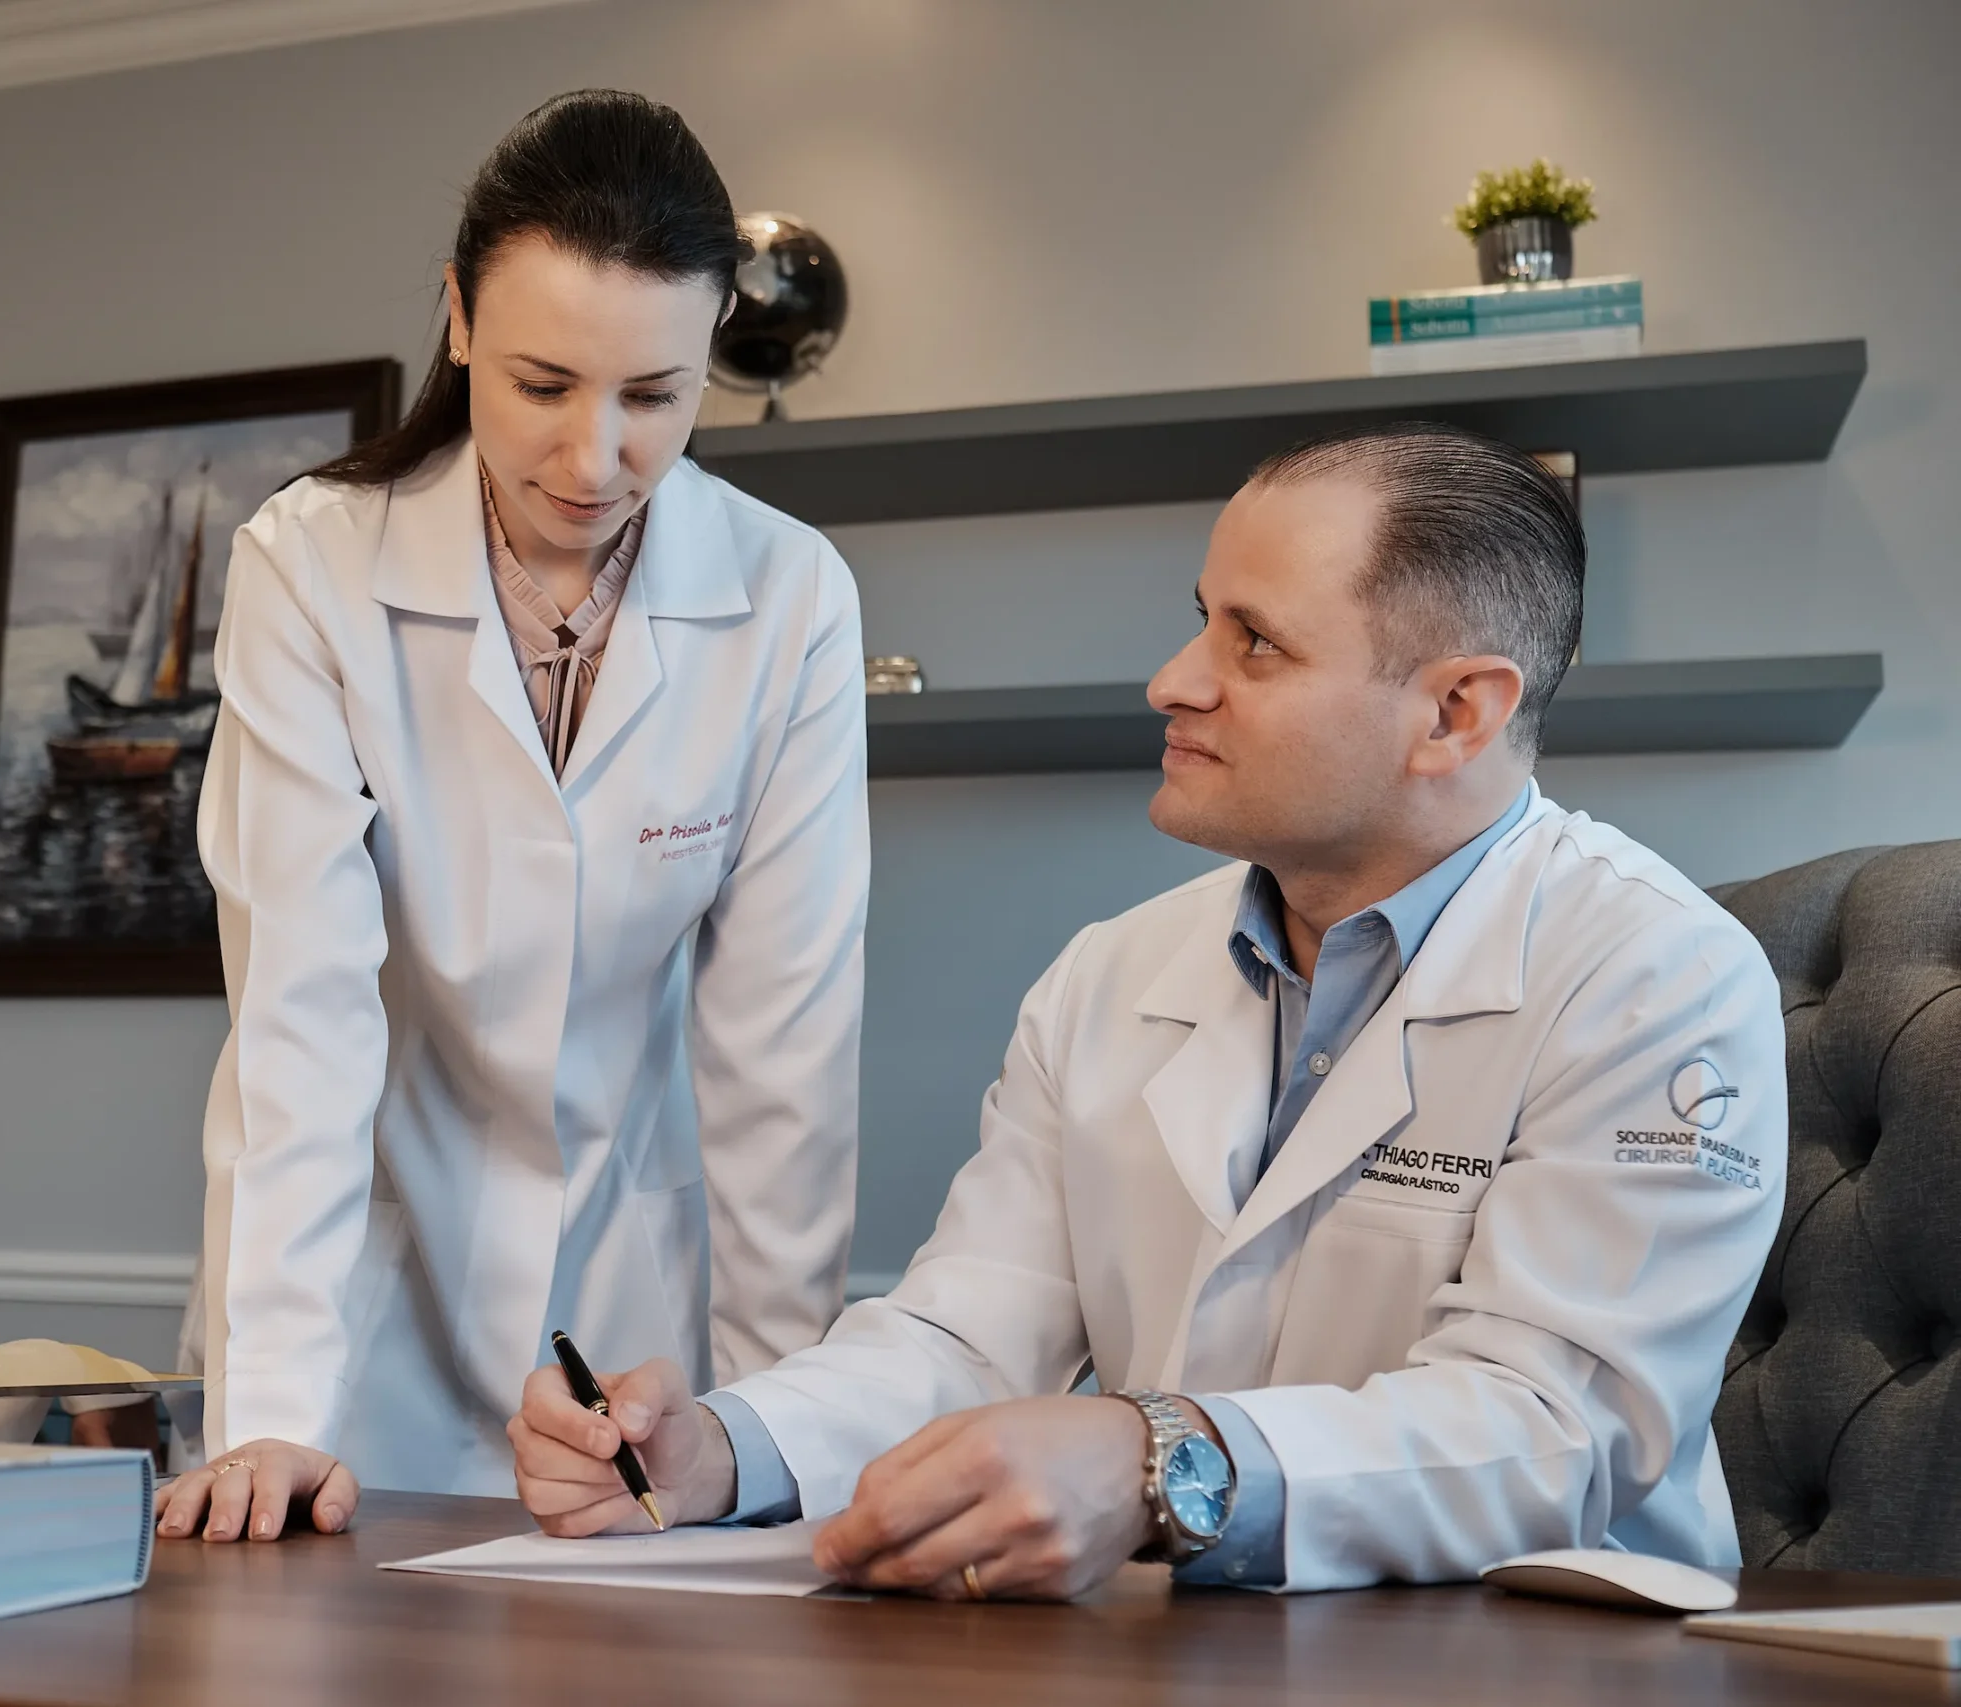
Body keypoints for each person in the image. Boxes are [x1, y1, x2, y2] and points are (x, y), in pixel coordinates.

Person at [508, 423, 1786, 1598]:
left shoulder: (1656, 979)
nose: (1172, 681)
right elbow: (966, 1332)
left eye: (1255, 642)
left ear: (1455, 712)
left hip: (1533, 1661)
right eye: (1198, 622)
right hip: (1194, 1649)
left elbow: (1551, 1432)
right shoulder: (1111, 974)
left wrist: (1152, 1458)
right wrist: (717, 1452)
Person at [154, 90, 869, 1545]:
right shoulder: (314, 566)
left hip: (635, 1308)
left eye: (655, 396)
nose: (594, 458)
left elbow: (780, 1057)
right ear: (460, 320)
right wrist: (275, 1402)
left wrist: (782, 1427)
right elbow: (303, 1008)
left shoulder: (791, 598)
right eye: (544, 383)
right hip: (355, 1291)